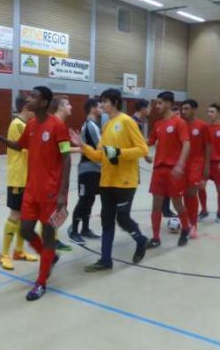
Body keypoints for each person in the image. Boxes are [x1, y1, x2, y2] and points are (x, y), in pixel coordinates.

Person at [0, 86, 71, 301]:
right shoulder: (32, 124)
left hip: (51, 193)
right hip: (31, 190)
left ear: (44, 102)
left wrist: (63, 192)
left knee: (48, 236)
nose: (29, 99)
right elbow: (20, 145)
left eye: (34, 96)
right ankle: (49, 256)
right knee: (25, 230)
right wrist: (2, 140)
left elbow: (67, 158)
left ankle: (41, 282)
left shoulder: (57, 126)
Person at [70, 88, 149, 272]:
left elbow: (142, 149)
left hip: (125, 182)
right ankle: (105, 260)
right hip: (106, 182)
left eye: (104, 101)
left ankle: (140, 239)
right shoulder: (106, 126)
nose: (101, 105)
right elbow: (99, 155)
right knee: (107, 220)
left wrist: (119, 153)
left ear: (114, 102)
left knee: (122, 218)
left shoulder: (127, 121)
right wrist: (83, 146)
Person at [146, 91, 191, 248]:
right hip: (159, 169)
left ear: (169, 104)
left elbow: (186, 143)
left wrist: (180, 164)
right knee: (156, 204)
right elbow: (149, 141)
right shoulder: (157, 124)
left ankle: (186, 229)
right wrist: (141, 150)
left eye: (160, 103)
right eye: (156, 103)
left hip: (173, 170)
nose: (157, 106)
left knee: (177, 204)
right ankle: (156, 237)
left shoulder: (179, 122)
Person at [0, 95, 38, 271]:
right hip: (18, 177)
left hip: (28, 177)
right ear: (26, 109)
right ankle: (4, 254)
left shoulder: (27, 125)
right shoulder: (17, 125)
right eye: (33, 109)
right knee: (15, 215)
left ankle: (19, 251)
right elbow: (26, 147)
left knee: (24, 215)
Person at [68, 98, 102, 245]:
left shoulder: (93, 125)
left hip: (95, 169)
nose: (102, 109)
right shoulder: (90, 126)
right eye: (100, 106)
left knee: (90, 199)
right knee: (84, 200)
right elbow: (100, 148)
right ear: (93, 108)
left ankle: (85, 229)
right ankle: (74, 231)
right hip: (87, 170)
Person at [47, 95, 75, 252]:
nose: (71, 106)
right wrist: (63, 189)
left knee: (53, 214)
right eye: (68, 104)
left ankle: (53, 241)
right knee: (51, 213)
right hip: (54, 179)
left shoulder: (54, 124)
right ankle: (48, 246)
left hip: (56, 177)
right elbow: (65, 155)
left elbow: (63, 151)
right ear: (61, 107)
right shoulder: (57, 125)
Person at [179, 100, 210, 239]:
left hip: (196, 164)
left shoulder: (202, 126)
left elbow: (207, 148)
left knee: (192, 193)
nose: (183, 111)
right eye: (182, 109)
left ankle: (193, 225)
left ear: (194, 110)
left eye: (186, 109)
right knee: (183, 195)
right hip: (181, 164)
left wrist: (205, 171)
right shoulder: (179, 123)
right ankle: (186, 223)